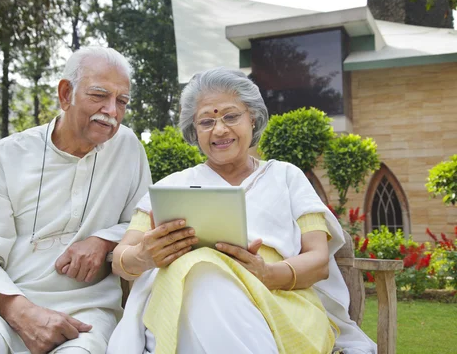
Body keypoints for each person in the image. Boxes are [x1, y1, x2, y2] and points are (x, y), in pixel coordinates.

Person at [107, 68, 377, 354]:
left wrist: (269, 274)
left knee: (203, 273)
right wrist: (143, 255)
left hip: (278, 302)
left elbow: (319, 260)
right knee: (201, 271)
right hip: (180, 305)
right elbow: (120, 258)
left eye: (231, 116)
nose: (219, 130)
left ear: (253, 118)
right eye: (206, 121)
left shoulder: (287, 177)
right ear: (194, 130)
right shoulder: (170, 187)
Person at [0, 47, 152, 354]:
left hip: (84, 309)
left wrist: (104, 240)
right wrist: (23, 313)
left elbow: (143, 222)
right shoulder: (4, 158)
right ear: (66, 94)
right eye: (99, 95)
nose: (112, 111)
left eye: (122, 101)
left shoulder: (128, 148)